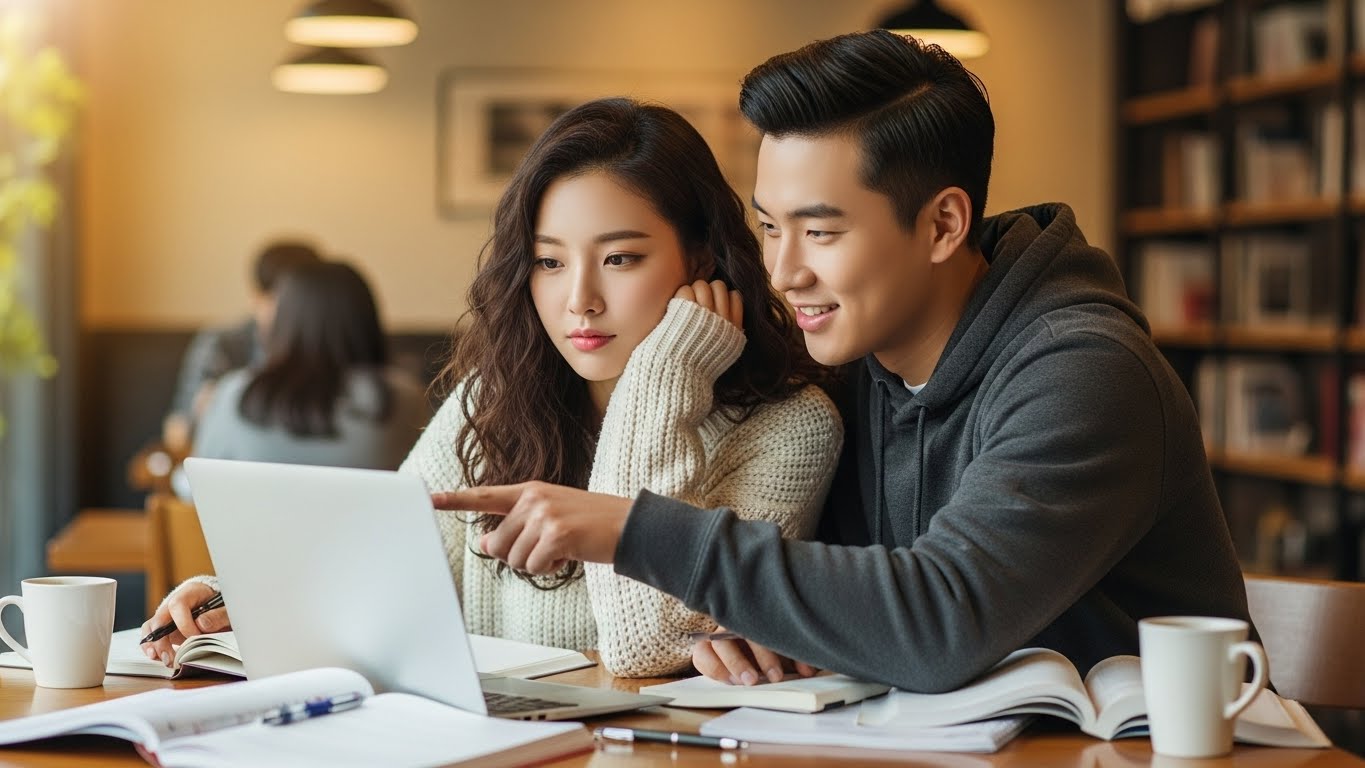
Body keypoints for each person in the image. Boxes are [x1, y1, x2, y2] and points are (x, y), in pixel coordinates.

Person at [437, 30, 1254, 694]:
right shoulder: (853, 368)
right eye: (769, 228)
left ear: (940, 226)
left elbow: (942, 620)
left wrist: (631, 529)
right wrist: (769, 636)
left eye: (820, 233)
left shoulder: (1084, 373)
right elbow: (861, 602)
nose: (784, 270)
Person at [141, 97, 841, 678]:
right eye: (548, 262)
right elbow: (385, 567)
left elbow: (645, 643)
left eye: (620, 258)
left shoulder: (792, 427)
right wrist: (243, 596)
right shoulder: (495, 395)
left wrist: (663, 377)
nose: (580, 300)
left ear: (700, 257)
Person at [188, 258, 429, 470]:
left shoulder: (234, 394)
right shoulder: (404, 400)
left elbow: (199, 485)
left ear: (281, 323)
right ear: (366, 322)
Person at [162, 240, 322, 451]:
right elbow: (176, 430)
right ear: (257, 299)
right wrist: (206, 413)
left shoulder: (329, 347)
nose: (295, 312)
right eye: (284, 301)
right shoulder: (223, 344)